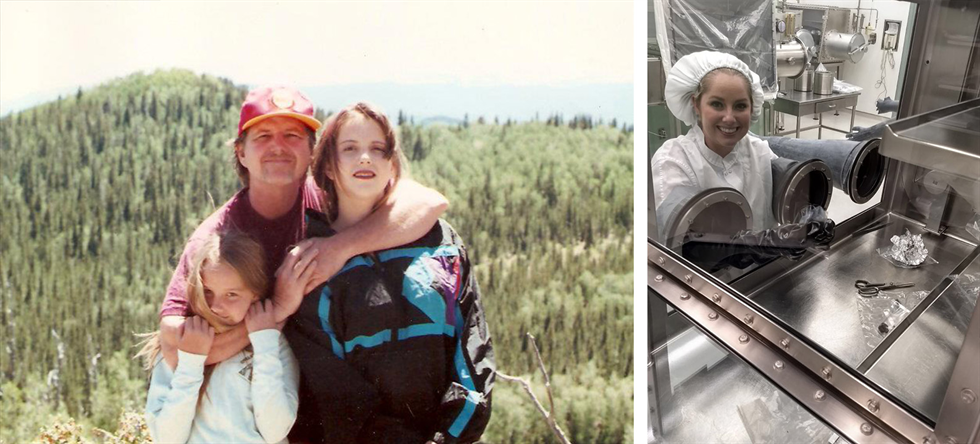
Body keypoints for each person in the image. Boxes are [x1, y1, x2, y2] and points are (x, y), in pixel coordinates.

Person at [157, 86, 449, 370]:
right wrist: (279, 308)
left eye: (292, 135)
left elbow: (429, 202)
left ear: (312, 151)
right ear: (241, 152)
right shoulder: (218, 236)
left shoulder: (330, 197)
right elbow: (172, 343)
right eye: (263, 136)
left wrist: (340, 247)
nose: (278, 146)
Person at [278, 103, 494, 444]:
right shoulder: (311, 261)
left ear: (391, 164)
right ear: (329, 168)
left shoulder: (441, 241)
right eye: (350, 149)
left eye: (377, 149)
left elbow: (472, 349)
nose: (365, 158)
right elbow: (330, 393)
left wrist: (448, 438)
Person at [141, 230, 302, 443]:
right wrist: (191, 362)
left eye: (231, 295)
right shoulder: (179, 343)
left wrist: (264, 343)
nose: (216, 306)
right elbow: (167, 438)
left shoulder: (273, 343)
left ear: (255, 294)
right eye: (207, 291)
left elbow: (275, 430)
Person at [651, 50, 776, 241]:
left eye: (740, 106)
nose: (729, 117)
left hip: (767, 270)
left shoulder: (760, 151)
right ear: (696, 104)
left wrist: (807, 217)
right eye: (717, 104)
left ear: (752, 108)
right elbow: (679, 237)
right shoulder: (672, 161)